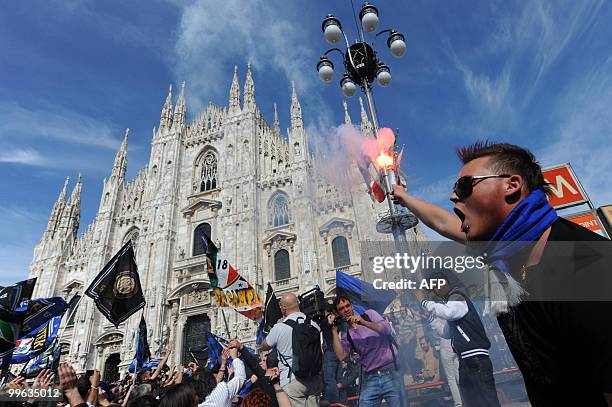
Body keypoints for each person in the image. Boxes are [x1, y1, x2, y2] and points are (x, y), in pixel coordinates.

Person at [391, 141, 612, 406]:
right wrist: (404, 197)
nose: (453, 197)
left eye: (464, 187)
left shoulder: (589, 267)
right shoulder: (509, 255)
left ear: (512, 185)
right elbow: (442, 222)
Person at [417, 272, 499, 407]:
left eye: (437, 286)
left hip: (475, 358)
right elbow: (447, 333)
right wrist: (430, 319)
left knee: (488, 401)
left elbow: (449, 313)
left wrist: (424, 302)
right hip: (465, 360)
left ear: (445, 282)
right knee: (472, 402)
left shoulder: (458, 296)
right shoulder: (451, 302)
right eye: (433, 289)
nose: (436, 291)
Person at [329, 295, 403, 407]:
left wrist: (364, 323)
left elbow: (386, 329)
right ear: (338, 313)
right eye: (341, 308)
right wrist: (333, 330)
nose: (346, 310)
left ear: (352, 306)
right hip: (370, 377)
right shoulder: (347, 334)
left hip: (390, 372)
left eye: (347, 306)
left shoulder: (370, 314)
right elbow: (342, 356)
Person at [259, 292, 323, 407]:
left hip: (292, 380)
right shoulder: (314, 325)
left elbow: (264, 345)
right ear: (298, 303)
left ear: (283, 308)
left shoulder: (280, 327)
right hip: (314, 379)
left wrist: (276, 326)